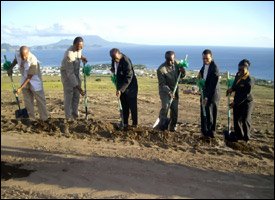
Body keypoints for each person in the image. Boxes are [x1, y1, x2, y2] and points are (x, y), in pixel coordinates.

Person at [7, 46, 49, 121]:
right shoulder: (18, 54)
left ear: (28, 53)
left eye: (25, 56)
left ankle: (44, 119)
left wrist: (20, 88)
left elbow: (29, 77)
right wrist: (11, 67)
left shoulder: (33, 60)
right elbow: (16, 60)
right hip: (24, 75)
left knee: (40, 99)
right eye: (21, 56)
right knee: (27, 100)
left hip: (34, 77)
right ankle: (31, 119)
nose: (23, 58)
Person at [156, 51, 186, 131]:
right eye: (168, 60)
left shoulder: (178, 64)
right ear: (165, 59)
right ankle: (161, 125)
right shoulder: (161, 69)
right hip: (165, 91)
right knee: (166, 107)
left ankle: (173, 126)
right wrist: (169, 92)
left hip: (175, 89)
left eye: (171, 60)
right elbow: (162, 84)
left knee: (175, 109)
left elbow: (181, 76)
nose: (170, 62)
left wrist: (183, 72)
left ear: (174, 58)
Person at [226, 59, 254, 142]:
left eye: (242, 69)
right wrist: (231, 89)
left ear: (247, 69)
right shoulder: (238, 75)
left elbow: (245, 95)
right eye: (239, 69)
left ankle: (246, 138)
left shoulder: (250, 80)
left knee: (245, 120)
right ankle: (238, 136)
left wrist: (235, 103)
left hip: (247, 102)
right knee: (236, 119)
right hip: (237, 100)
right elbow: (235, 85)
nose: (240, 71)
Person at [110, 48, 138, 129]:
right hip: (120, 85)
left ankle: (134, 124)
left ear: (119, 54)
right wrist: (113, 69)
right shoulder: (114, 58)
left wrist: (121, 90)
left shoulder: (126, 61)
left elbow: (129, 77)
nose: (115, 60)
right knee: (124, 105)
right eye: (113, 58)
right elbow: (114, 67)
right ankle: (125, 123)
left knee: (132, 106)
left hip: (130, 87)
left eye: (116, 58)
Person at [60, 36, 87, 122]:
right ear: (74, 45)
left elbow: (78, 54)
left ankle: (75, 115)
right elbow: (70, 74)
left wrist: (82, 57)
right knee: (69, 95)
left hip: (76, 73)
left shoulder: (79, 48)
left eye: (82, 46)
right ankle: (68, 117)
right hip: (67, 75)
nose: (80, 47)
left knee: (76, 95)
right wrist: (78, 87)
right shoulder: (69, 54)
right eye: (78, 46)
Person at [197, 49, 220, 138]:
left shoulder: (215, 68)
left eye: (207, 58)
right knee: (203, 112)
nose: (205, 60)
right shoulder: (204, 65)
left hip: (212, 95)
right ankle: (204, 131)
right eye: (203, 59)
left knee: (210, 114)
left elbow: (212, 86)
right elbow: (202, 76)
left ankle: (211, 133)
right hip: (204, 93)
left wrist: (206, 97)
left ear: (211, 57)